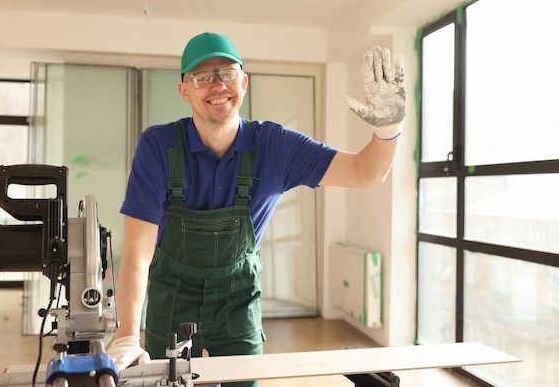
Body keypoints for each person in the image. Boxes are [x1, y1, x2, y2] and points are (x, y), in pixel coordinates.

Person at [107, 32, 406, 387]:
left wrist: (390, 129)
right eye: (203, 77)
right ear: (185, 90)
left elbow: (365, 172)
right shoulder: (157, 146)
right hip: (170, 302)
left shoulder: (274, 146)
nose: (218, 85)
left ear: (243, 82)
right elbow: (138, 252)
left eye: (228, 74)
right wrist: (127, 332)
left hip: (237, 305)